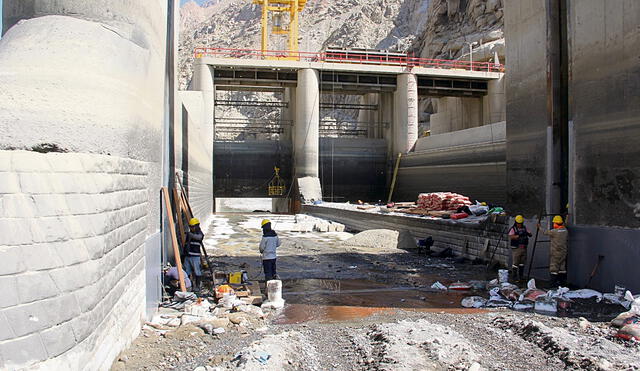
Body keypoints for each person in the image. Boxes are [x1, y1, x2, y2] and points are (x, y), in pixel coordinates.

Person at [538, 215, 568, 287]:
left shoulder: (554, 231)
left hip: (556, 252)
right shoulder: (565, 230)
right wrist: (567, 217)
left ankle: (553, 283)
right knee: (562, 267)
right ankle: (562, 283)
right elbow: (564, 224)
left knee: (554, 267)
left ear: (556, 223)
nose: (553, 224)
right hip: (563, 252)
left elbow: (545, 232)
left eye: (554, 223)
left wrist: (539, 227)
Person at [183, 217, 204, 293]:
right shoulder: (189, 234)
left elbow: (199, 238)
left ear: (197, 226)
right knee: (187, 272)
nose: (191, 228)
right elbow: (186, 244)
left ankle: (198, 286)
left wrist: (190, 234)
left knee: (197, 271)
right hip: (188, 256)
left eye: (192, 227)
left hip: (195, 257)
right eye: (190, 227)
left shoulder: (199, 234)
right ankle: (189, 286)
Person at [508, 215, 532, 280]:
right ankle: (514, 277)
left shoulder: (524, 228)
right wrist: (518, 236)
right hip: (516, 248)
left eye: (521, 223)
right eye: (518, 223)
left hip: (524, 247)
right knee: (515, 262)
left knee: (522, 263)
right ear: (516, 222)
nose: (520, 225)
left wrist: (528, 234)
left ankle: (521, 276)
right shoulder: (513, 229)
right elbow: (511, 236)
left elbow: (530, 233)